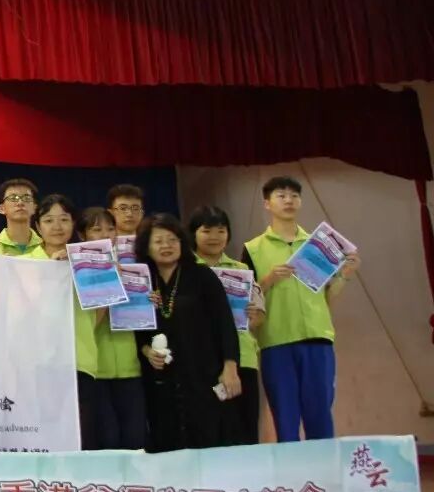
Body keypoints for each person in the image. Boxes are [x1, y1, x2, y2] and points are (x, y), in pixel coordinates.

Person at [242, 176, 361, 442]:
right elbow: (245, 300)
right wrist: (268, 280)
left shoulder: (319, 245)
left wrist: (345, 275)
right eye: (281, 195)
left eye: (294, 196)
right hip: (276, 343)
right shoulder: (253, 248)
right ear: (267, 203)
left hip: (318, 339)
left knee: (320, 416)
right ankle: (291, 470)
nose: (289, 200)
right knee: (285, 420)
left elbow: (328, 298)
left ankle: (325, 467)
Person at [136, 214, 241, 452]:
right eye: (158, 241)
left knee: (209, 438)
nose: (166, 246)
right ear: (146, 247)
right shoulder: (142, 281)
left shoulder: (202, 275)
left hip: (204, 373)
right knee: (167, 441)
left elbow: (225, 323)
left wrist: (230, 366)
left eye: (172, 240)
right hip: (162, 380)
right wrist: (147, 351)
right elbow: (136, 331)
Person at [23, 195, 106, 450]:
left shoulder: (89, 261)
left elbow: (101, 309)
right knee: (45, 433)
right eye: (49, 220)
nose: (57, 226)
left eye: (64, 219)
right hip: (39, 362)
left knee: (84, 434)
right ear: (38, 227)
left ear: (73, 224)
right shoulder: (23, 264)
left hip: (80, 358)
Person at [191, 205, 265, 446]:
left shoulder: (242, 271)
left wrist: (254, 315)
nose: (214, 237)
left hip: (243, 359)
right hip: (201, 362)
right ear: (193, 234)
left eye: (221, 231)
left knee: (245, 430)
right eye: (206, 231)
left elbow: (258, 318)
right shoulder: (185, 271)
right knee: (210, 433)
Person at [77, 207, 145, 450]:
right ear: (82, 235)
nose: (105, 234)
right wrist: (108, 289)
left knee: (136, 438)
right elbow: (86, 323)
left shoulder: (135, 263)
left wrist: (151, 299)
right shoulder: (77, 268)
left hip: (132, 364)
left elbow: (146, 317)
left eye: (110, 228)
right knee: (107, 438)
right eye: (97, 229)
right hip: (96, 367)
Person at [0, 178, 43, 256]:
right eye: (13, 198)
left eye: (27, 198)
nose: (20, 203)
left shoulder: (47, 245)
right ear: (1, 209)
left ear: (34, 208)